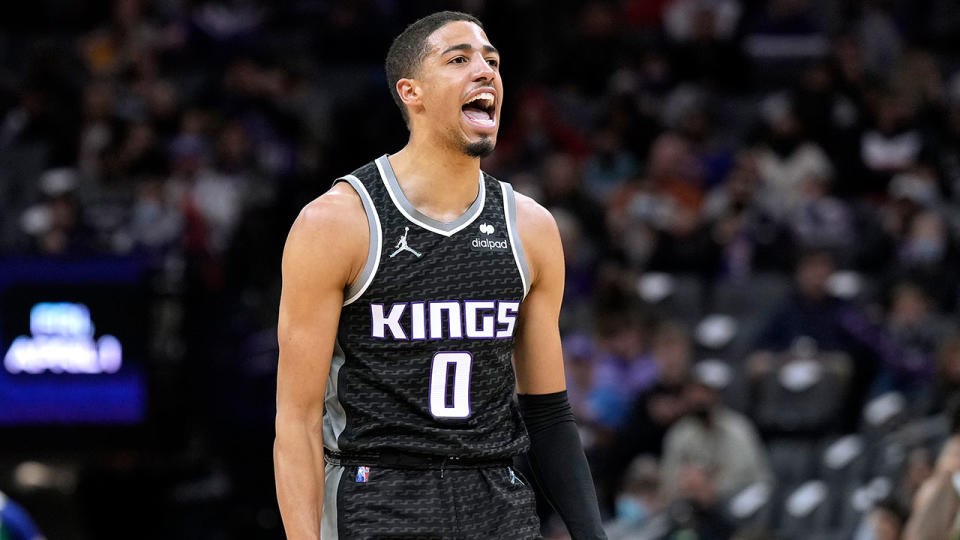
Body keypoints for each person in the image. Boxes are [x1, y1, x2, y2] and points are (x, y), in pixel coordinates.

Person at [273, 11, 605, 540]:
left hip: (498, 500)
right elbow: (296, 421)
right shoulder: (336, 222)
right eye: (459, 59)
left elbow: (548, 415)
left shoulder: (531, 227)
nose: (485, 71)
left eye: (491, 61)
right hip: (376, 493)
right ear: (412, 91)